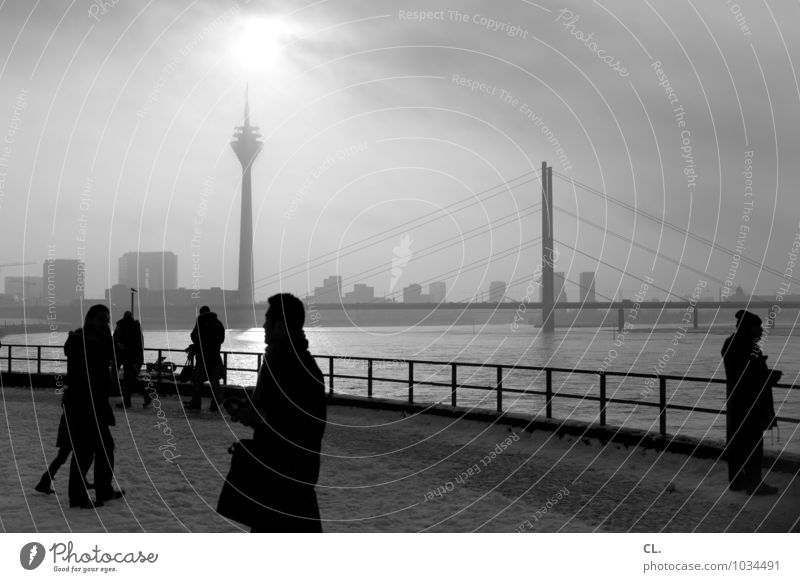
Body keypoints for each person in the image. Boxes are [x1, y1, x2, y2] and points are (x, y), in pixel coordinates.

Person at [225, 293, 327, 532]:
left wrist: (252, 415)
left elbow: (291, 423)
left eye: (268, 319)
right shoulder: (294, 361)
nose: (263, 326)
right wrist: (246, 408)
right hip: (288, 478)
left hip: (283, 480)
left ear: (280, 325)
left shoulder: (284, 363)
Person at [63, 304, 125, 508]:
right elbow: (104, 357)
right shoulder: (82, 341)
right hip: (83, 402)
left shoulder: (95, 340)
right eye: (101, 319)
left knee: (104, 446)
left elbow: (112, 356)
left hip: (95, 401)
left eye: (107, 320)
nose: (105, 323)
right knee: (85, 450)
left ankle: (103, 489)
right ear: (90, 319)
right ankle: (79, 496)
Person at [721, 310, 781, 496]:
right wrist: (770, 377)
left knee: (737, 442)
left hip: (736, 401)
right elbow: (749, 377)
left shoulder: (730, 343)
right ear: (749, 328)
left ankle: (737, 481)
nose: (762, 331)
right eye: (759, 327)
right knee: (753, 443)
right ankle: (755, 483)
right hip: (750, 403)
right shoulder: (747, 347)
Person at [184, 305, 225, 412]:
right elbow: (221, 340)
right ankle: (215, 405)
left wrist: (195, 347)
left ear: (201, 313)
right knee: (215, 383)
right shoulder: (218, 324)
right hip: (215, 358)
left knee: (197, 382)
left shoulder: (201, 322)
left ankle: (196, 404)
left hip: (202, 359)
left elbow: (194, 337)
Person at [113, 311, 148, 408]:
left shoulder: (121, 328)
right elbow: (138, 345)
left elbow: (116, 341)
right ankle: (140, 397)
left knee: (128, 380)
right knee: (130, 380)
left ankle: (129, 401)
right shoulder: (135, 328)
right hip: (134, 358)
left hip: (128, 358)